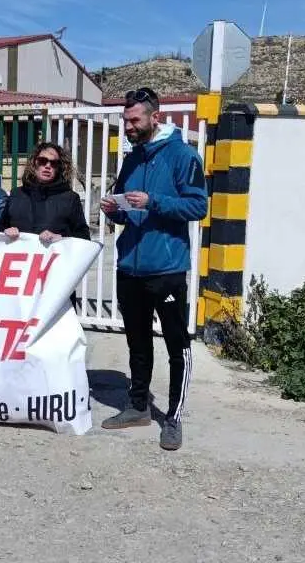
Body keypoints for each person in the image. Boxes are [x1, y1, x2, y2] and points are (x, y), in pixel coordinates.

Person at [98, 87, 208, 452]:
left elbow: (197, 207)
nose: (127, 126)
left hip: (167, 268)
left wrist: (154, 201)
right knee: (137, 343)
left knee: (177, 345)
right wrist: (113, 209)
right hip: (130, 266)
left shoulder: (183, 155)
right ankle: (138, 406)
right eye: (125, 120)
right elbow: (128, 205)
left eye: (134, 120)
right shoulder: (131, 159)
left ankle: (173, 417)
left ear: (154, 117)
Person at [0, 142, 89, 244]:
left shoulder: (70, 198)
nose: (48, 166)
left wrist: (61, 238)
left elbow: (84, 236)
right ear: (34, 163)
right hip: (19, 258)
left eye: (54, 163)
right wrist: (5, 231)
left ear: (59, 168)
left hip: (55, 258)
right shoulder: (16, 194)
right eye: (42, 161)